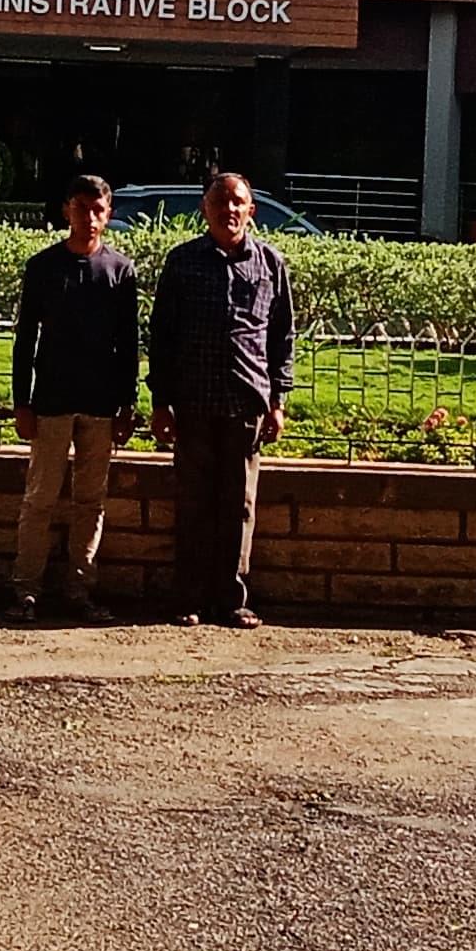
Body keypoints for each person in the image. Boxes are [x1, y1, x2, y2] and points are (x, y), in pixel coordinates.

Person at [148, 169, 294, 630]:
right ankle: (187, 597)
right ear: (204, 210)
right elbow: (162, 335)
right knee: (193, 503)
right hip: (193, 403)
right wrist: (161, 402)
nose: (228, 209)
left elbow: (282, 337)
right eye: (219, 202)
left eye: (237, 202)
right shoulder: (182, 262)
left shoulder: (270, 264)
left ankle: (232, 599)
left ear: (251, 210)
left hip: (246, 403)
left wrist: (277, 400)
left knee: (239, 507)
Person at [7, 175, 142, 618]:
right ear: (67, 209)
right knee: (39, 498)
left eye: (98, 210)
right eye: (81, 208)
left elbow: (128, 344)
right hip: (51, 400)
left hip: (101, 404)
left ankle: (79, 591)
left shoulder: (120, 271)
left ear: (109, 214)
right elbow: (25, 339)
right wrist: (22, 402)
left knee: (90, 502)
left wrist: (127, 404)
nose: (89, 218)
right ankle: (26, 590)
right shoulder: (43, 267)